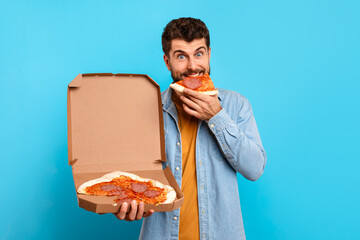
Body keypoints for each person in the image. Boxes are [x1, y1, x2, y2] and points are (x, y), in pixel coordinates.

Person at [115, 17, 267, 240]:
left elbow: (255, 168)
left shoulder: (236, 105)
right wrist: (130, 205)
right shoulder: (148, 109)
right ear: (167, 62)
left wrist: (217, 116)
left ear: (209, 54)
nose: (193, 66)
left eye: (198, 53)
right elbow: (133, 181)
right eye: (181, 57)